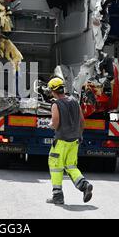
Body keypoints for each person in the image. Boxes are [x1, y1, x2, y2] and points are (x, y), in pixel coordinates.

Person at [46, 77, 93, 205]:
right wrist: (80, 135)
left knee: (55, 166)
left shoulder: (56, 104)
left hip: (61, 141)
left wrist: (50, 124)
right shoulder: (74, 101)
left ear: (52, 91)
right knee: (71, 165)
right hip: (75, 140)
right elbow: (82, 121)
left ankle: (57, 196)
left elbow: (55, 123)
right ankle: (84, 185)